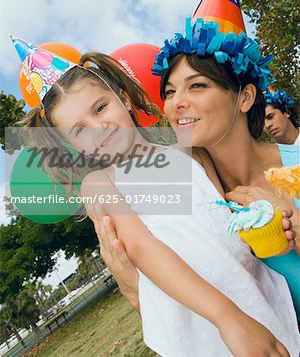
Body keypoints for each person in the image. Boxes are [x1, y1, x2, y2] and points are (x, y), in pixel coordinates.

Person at [15, 40, 299, 356]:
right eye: (80, 130)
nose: (100, 127)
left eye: (100, 108)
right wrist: (226, 317)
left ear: (122, 98)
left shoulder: (188, 154)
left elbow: (226, 213)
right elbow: (141, 247)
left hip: (257, 298)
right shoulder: (101, 182)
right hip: (205, 326)